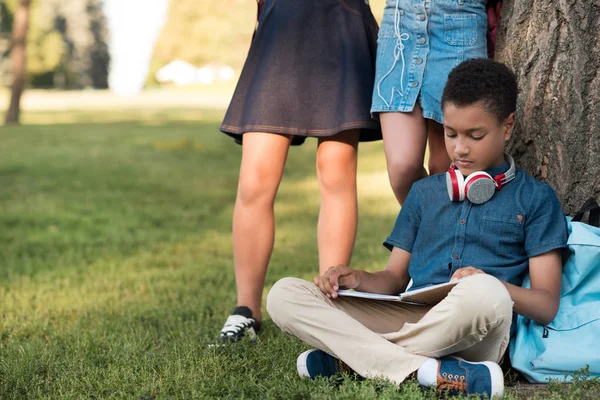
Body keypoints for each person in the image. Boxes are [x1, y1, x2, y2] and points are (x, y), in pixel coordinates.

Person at [267, 59, 569, 398]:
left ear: (508, 126)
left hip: (474, 324)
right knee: (284, 295)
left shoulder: (536, 199)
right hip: (409, 315)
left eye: (475, 135)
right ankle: (428, 371)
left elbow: (546, 305)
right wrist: (357, 278)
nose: (460, 148)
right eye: (450, 134)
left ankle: (354, 359)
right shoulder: (424, 193)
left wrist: (487, 281)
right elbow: (394, 279)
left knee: (487, 294)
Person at [216, 0, 382, 343]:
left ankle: (330, 303)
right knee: (254, 182)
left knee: (336, 173)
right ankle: (246, 310)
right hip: (282, 23)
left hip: (340, 20)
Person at [371, 0, 489, 204]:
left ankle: (435, 234)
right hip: (399, 27)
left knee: (446, 171)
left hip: (459, 22)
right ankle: (431, 231)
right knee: (402, 169)